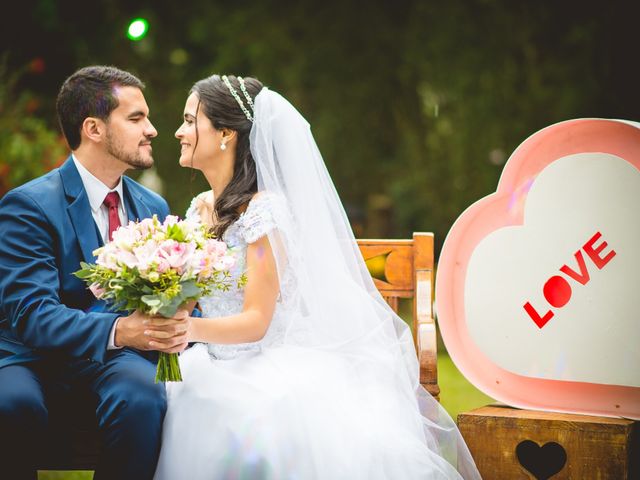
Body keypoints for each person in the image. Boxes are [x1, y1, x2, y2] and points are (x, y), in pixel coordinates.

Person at [153, 75, 481, 479]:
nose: (179, 132)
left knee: (229, 412)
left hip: (262, 360)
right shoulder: (201, 208)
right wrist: (162, 297)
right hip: (212, 358)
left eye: (189, 120)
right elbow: (191, 293)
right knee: (185, 395)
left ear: (224, 133)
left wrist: (187, 328)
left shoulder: (263, 216)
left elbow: (257, 321)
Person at [0, 66, 189, 480]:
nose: (153, 129)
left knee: (142, 395)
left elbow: (163, 294)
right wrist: (122, 330)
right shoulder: (28, 205)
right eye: (136, 118)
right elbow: (31, 315)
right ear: (94, 129)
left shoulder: (152, 205)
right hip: (33, 356)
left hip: (113, 360)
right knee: (12, 403)